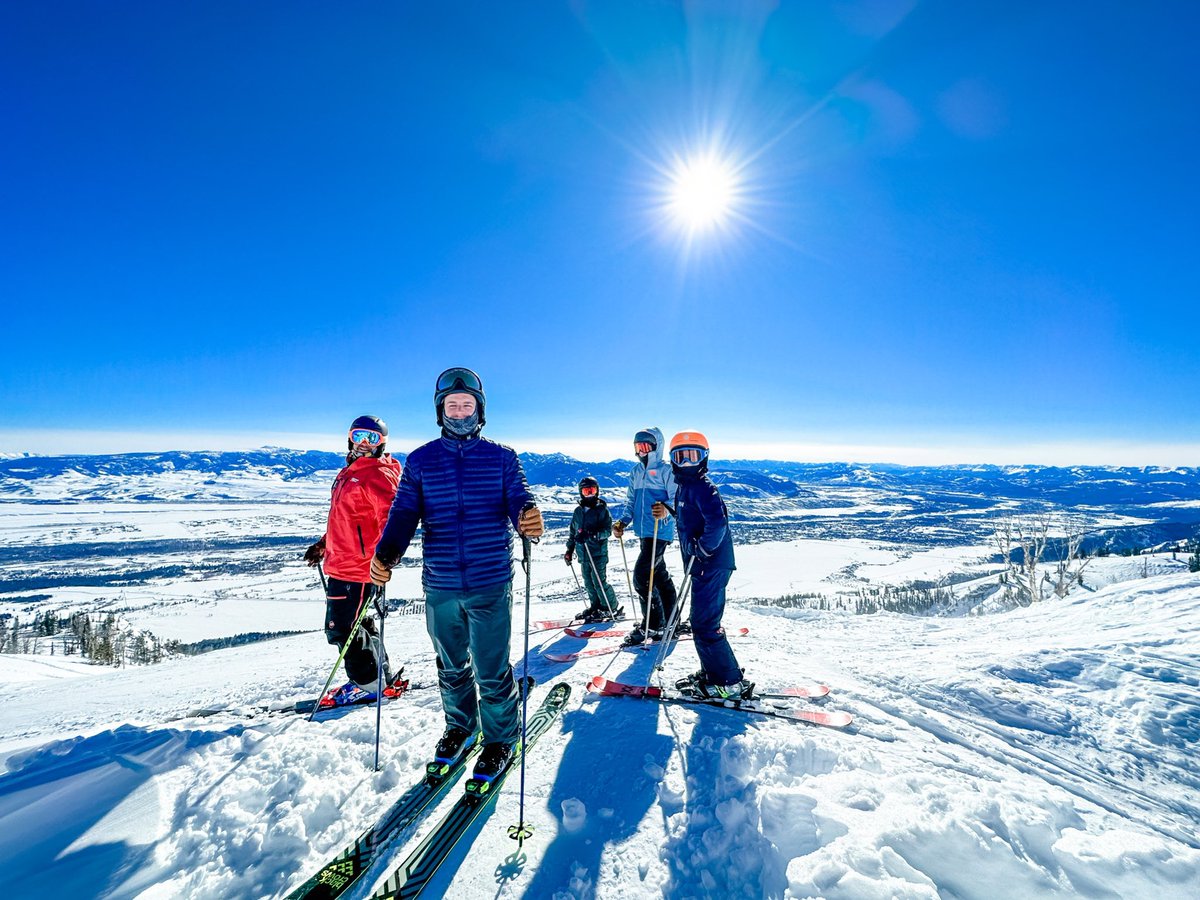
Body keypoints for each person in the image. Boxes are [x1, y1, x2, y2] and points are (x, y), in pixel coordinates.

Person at [370, 367, 544, 782]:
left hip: (490, 579)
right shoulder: (421, 460)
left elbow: (518, 497)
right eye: (453, 405)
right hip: (441, 582)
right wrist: (387, 553)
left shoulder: (502, 457)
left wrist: (527, 516)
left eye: (468, 405)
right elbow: (404, 512)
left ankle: (500, 738)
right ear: (441, 411)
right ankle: (461, 728)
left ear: (479, 411)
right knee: (450, 665)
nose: (461, 412)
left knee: (491, 667)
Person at [304, 415, 403, 696]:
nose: (363, 443)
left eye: (372, 438)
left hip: (357, 568)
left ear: (381, 443)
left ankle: (367, 685)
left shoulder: (378, 474)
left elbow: (392, 519)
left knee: (342, 630)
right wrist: (324, 545)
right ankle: (379, 677)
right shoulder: (350, 471)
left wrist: (385, 557)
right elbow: (346, 519)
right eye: (358, 436)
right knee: (360, 624)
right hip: (342, 563)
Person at [663, 430, 752, 700]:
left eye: (693, 456)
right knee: (701, 621)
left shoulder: (703, 487)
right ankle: (714, 674)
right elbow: (691, 518)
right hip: (703, 564)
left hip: (710, 564)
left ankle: (728, 683)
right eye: (681, 456)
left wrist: (702, 549)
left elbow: (717, 522)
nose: (686, 462)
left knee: (705, 624)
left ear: (704, 458)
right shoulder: (686, 487)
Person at [613, 427, 680, 644]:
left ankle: (653, 625)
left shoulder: (666, 471)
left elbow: (677, 498)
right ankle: (672, 620)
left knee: (642, 577)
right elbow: (631, 501)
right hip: (644, 531)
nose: (641, 451)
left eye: (645, 446)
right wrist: (623, 521)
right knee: (659, 576)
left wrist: (666, 509)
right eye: (637, 447)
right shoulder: (635, 472)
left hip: (660, 531)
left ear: (656, 447)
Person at [564, 476, 623, 623]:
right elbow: (573, 532)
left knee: (599, 582)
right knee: (589, 582)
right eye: (586, 491)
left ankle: (610, 607)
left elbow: (607, 531)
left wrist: (592, 535)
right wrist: (569, 550)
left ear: (597, 491)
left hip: (597, 553)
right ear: (581, 493)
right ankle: (595, 607)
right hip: (583, 553)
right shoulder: (578, 512)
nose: (590, 494)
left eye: (592, 491)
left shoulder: (601, 510)